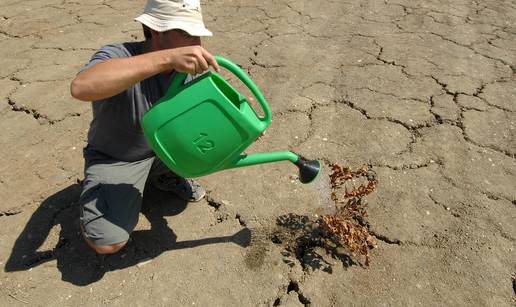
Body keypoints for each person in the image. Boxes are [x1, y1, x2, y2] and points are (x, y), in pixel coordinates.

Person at [70, 0, 222, 254]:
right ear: (155, 31)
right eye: (186, 33)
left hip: (162, 148)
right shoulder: (118, 55)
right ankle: (92, 210)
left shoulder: (187, 68)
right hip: (118, 159)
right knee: (108, 243)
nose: (196, 44)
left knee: (207, 153)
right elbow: (81, 87)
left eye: (197, 34)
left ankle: (164, 174)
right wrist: (167, 59)